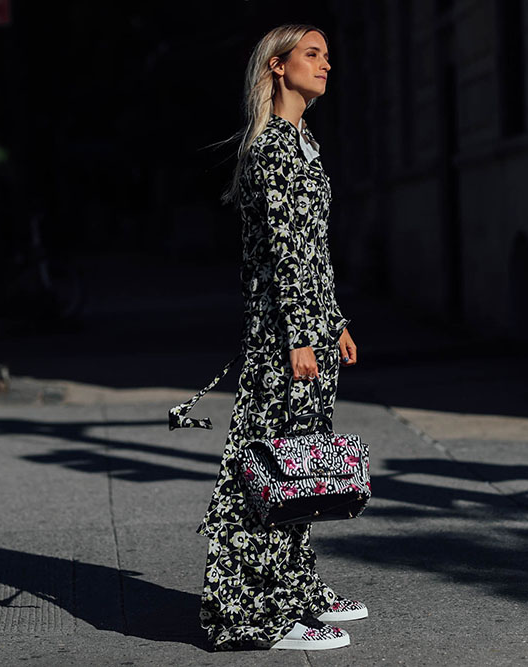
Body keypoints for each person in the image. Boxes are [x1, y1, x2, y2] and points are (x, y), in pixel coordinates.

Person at [168, 24, 362, 651]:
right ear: (278, 67)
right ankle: (255, 617)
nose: (325, 65)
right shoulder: (273, 146)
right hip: (280, 339)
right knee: (265, 472)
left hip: (308, 333)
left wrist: (334, 322)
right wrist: (298, 337)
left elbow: (315, 251)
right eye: (313, 54)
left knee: (298, 474)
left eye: (327, 56)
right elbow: (281, 251)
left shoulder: (304, 142)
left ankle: (295, 591)